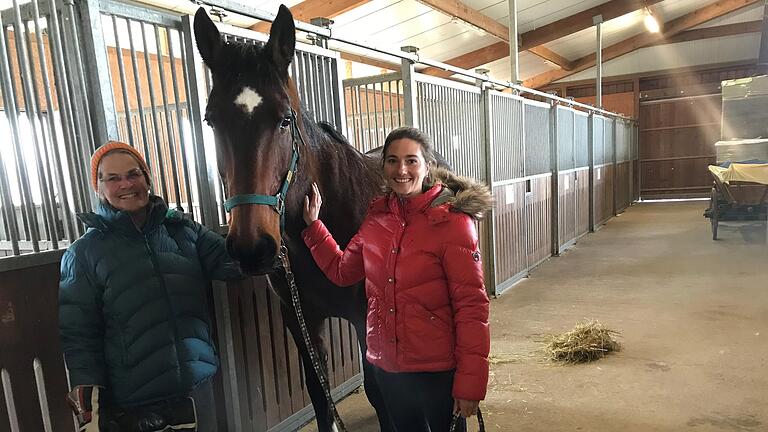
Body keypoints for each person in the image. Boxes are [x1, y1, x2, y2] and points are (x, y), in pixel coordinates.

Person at [302, 127, 492, 431]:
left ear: (427, 166)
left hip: (437, 370)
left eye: (411, 160)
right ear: (383, 167)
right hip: (389, 371)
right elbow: (342, 271)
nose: (401, 170)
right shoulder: (376, 220)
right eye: (392, 160)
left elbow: (472, 308)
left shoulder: (453, 223)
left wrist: (470, 384)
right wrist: (314, 228)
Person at [59, 141, 241, 431]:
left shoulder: (183, 230)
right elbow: (79, 337)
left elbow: (238, 264)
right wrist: (90, 412)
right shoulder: (83, 254)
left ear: (147, 177)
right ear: (98, 187)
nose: (126, 184)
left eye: (134, 174)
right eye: (113, 178)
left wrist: (256, 224)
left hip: (196, 389)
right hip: (135, 406)